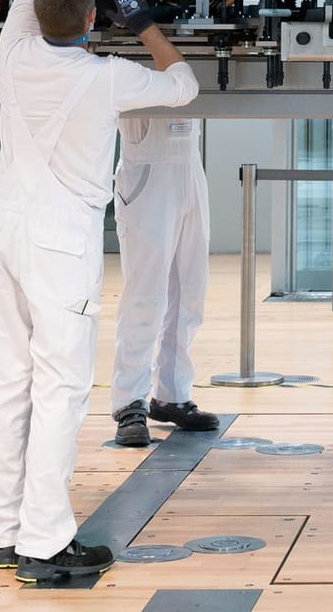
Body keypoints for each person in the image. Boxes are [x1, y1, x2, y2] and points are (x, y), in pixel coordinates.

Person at [0, 0, 200, 585]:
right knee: (60, 390)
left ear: (38, 11)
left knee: (7, 382)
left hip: (2, 234)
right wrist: (145, 24)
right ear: (96, 19)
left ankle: (7, 529)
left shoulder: (13, 47)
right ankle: (45, 543)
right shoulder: (105, 75)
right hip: (56, 248)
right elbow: (183, 85)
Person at [109, 116, 219, 447]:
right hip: (146, 164)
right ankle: (129, 402)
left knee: (190, 292)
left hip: (190, 164)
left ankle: (172, 394)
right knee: (145, 296)